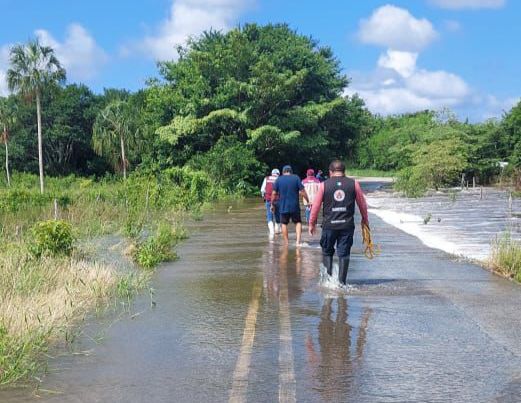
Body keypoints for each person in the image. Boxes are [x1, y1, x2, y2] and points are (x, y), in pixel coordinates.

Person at [309, 160, 369, 285]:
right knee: (344, 253)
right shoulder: (354, 184)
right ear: (344, 171)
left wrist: (312, 223)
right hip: (346, 226)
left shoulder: (324, 185)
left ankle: (328, 282)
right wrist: (365, 219)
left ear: (330, 172)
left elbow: (315, 206)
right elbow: (362, 203)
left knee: (327, 252)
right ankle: (342, 283)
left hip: (329, 225)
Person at [271, 165, 309, 245]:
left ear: (283, 172)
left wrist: (272, 204)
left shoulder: (279, 179)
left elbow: (274, 193)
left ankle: (286, 243)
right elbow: (302, 191)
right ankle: (298, 242)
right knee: (298, 222)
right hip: (295, 206)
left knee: (284, 223)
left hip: (283, 206)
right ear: (291, 171)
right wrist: (307, 200)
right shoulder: (296, 178)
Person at [261, 168, 281, 239]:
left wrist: (263, 197)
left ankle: (271, 232)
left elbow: (262, 190)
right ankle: (277, 231)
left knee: (269, 216)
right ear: (278, 174)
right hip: (278, 200)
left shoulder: (266, 178)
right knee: (277, 215)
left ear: (272, 173)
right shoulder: (280, 179)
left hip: (268, 200)